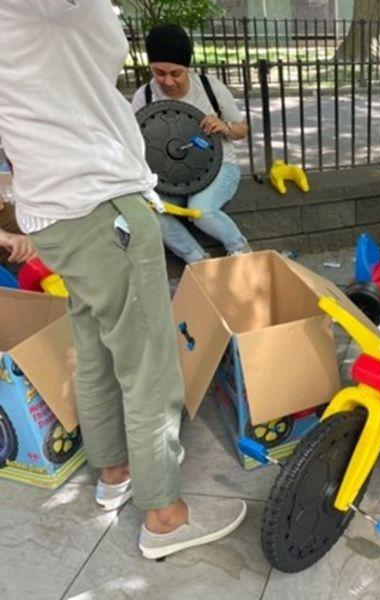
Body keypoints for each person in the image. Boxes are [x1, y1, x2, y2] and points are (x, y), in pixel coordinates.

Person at [0, 1, 246, 559]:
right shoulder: (45, 10)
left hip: (53, 212)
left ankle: (114, 472)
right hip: (100, 205)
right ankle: (164, 515)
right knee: (148, 364)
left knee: (94, 343)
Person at [131, 23, 251, 263]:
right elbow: (134, 143)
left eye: (176, 73)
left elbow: (242, 130)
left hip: (219, 169)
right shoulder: (143, 97)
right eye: (159, 72)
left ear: (187, 68)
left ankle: (241, 250)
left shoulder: (210, 88)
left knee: (201, 210)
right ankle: (198, 261)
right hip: (171, 179)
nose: (167, 81)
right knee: (150, 210)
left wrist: (224, 126)